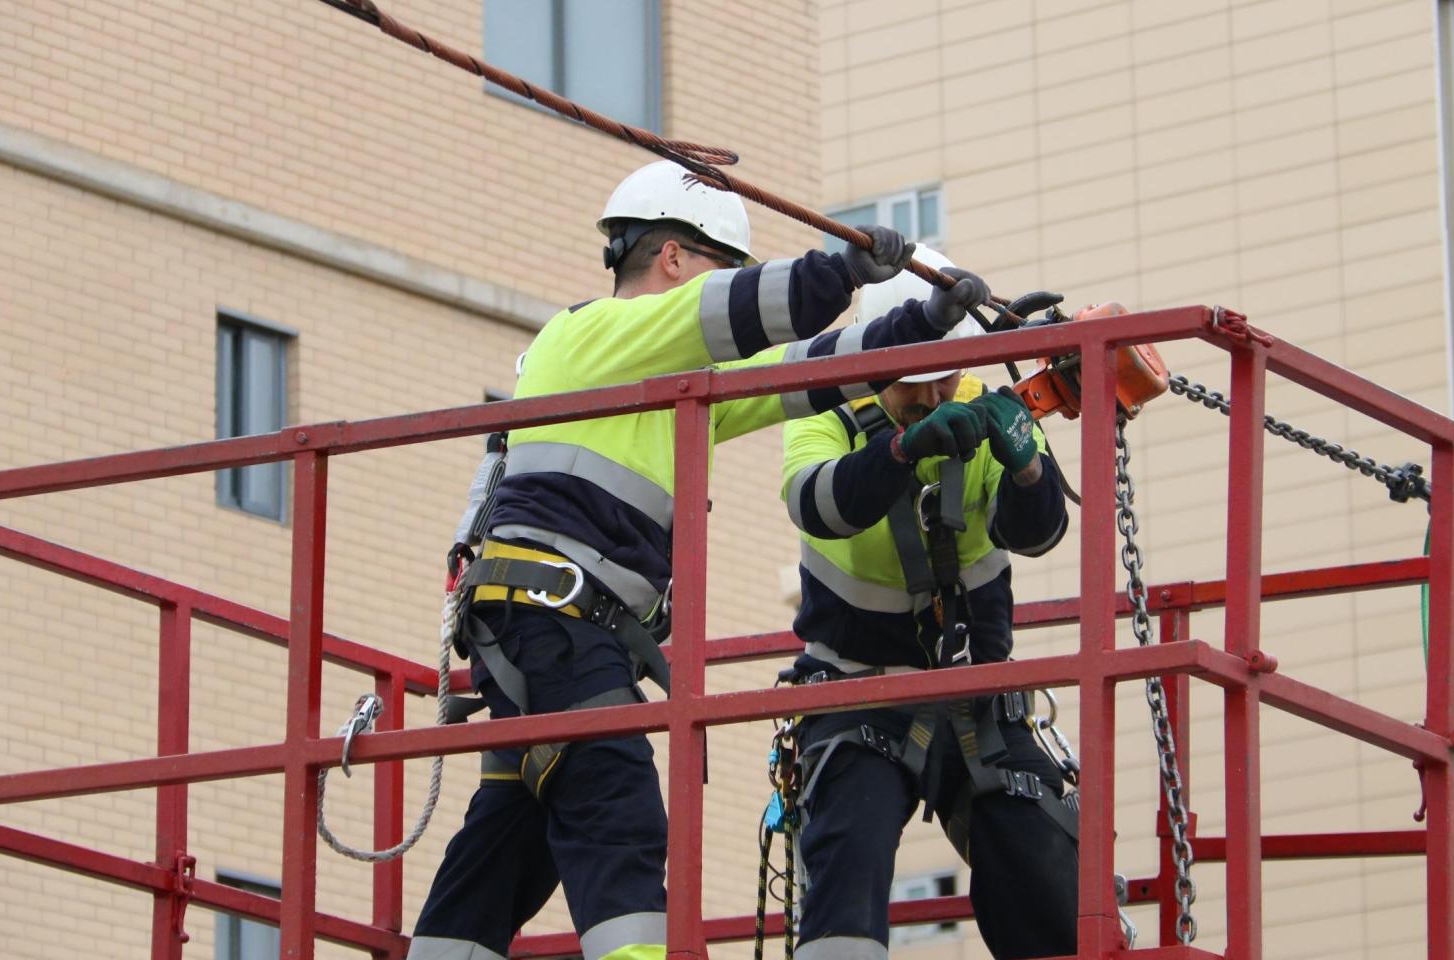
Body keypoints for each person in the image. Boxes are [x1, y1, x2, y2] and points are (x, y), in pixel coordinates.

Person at [408, 161, 993, 960]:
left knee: (508, 844)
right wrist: (843, 270)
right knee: (620, 814)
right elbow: (735, 316)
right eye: (725, 265)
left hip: (543, 633)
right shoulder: (591, 334)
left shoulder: (665, 385)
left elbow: (801, 374)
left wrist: (917, 327)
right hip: (555, 625)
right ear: (674, 259)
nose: (727, 290)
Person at [779, 245, 1078, 960]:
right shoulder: (828, 412)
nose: (931, 398)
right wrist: (902, 454)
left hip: (978, 698)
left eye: (943, 379)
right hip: (858, 699)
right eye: (912, 385)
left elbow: (1039, 534)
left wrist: (1028, 462)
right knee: (846, 878)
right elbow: (818, 504)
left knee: (1048, 877)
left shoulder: (981, 406)